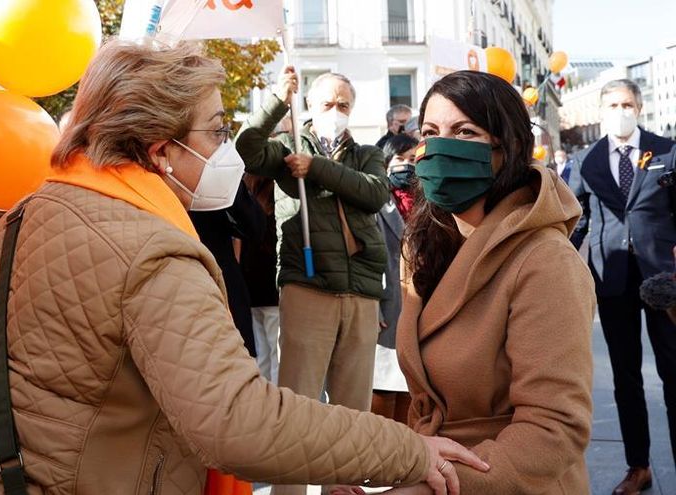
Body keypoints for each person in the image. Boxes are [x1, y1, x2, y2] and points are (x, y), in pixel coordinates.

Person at [0, 40, 488, 495]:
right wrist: (409, 451)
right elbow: (239, 421)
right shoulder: (152, 253)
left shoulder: (37, 207)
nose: (224, 150)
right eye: (214, 131)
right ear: (161, 150)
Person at [391, 70, 595, 494]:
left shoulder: (546, 260)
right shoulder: (423, 246)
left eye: (465, 131)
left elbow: (553, 429)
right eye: (430, 131)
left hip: (506, 480)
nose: (441, 145)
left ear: (509, 146)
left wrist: (429, 487)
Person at [236, 69, 390, 495]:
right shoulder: (288, 146)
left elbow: (376, 193)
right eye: (327, 104)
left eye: (344, 105)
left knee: (351, 408)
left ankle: (341, 488)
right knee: (299, 404)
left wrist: (317, 168)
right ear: (308, 105)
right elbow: (246, 149)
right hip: (307, 284)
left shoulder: (365, 153)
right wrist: (274, 101)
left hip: (360, 289)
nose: (336, 112)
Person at [568, 78, 676, 495]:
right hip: (612, 280)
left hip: (664, 279)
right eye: (612, 104)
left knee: (672, 370)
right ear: (601, 111)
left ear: (640, 107)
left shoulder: (666, 150)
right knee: (625, 377)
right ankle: (638, 467)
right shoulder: (586, 159)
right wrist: (556, 260)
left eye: (626, 103)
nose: (620, 110)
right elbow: (577, 218)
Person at [189, 181, 265, 356]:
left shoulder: (216, 175)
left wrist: (226, 179)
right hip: (179, 299)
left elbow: (255, 226)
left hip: (225, 296)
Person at [372, 134, 418, 423]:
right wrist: (373, 305)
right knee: (382, 394)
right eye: (400, 159)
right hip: (388, 310)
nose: (407, 166)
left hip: (419, 312)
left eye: (413, 160)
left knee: (412, 397)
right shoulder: (374, 202)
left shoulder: (428, 202)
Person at [242, 174, 281, 382]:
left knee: (263, 357)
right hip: (272, 291)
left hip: (252, 290)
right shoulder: (277, 207)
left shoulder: (246, 202)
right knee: (277, 357)